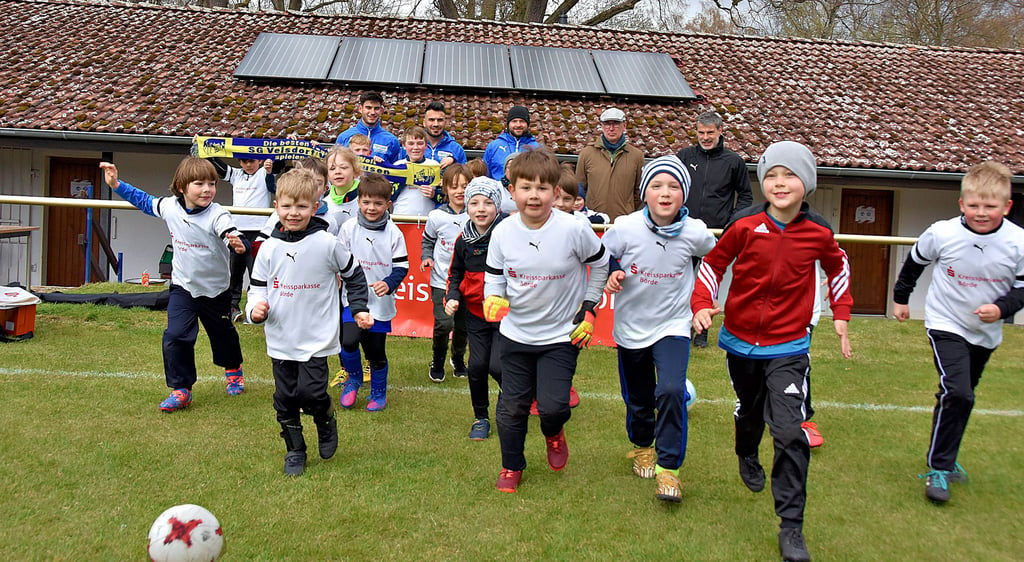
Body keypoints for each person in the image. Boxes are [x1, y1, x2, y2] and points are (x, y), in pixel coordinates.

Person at [691, 141, 852, 562]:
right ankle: (746, 450)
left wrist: (841, 312)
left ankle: (792, 527)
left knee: (789, 432)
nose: (780, 184)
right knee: (749, 411)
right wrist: (702, 304)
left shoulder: (819, 231)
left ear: (807, 183)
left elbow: (838, 266)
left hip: (790, 346)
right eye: (772, 176)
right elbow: (713, 264)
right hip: (741, 343)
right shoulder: (744, 224)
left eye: (790, 175)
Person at [892, 160, 1024, 504]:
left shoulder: (1018, 242)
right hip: (945, 322)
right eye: (974, 205)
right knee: (959, 392)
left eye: (990, 206)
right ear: (962, 203)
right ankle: (939, 467)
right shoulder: (943, 232)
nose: (982, 212)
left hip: (986, 331)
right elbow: (915, 262)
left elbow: (1022, 287)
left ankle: (945, 457)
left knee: (958, 396)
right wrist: (901, 299)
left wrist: (1001, 309)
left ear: (1007, 206)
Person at [484, 147, 609, 493]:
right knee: (512, 408)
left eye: (542, 188)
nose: (533, 196)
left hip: (560, 337)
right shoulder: (502, 232)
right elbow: (494, 276)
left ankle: (554, 433)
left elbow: (600, 263)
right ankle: (512, 466)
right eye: (525, 187)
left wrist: (589, 307)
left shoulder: (574, 229)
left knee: (553, 407)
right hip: (515, 336)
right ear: (512, 191)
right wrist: (492, 298)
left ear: (556, 192)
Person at [602, 155, 716, 503]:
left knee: (669, 390)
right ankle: (641, 446)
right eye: (656, 186)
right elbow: (602, 256)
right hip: (631, 327)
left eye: (674, 186)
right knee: (637, 398)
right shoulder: (625, 227)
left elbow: (715, 260)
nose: (665, 193)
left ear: (684, 194)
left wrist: (702, 303)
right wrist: (613, 271)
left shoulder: (695, 231)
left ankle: (669, 470)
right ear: (644, 193)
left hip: (673, 325)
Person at [245, 169, 374, 476]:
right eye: (287, 206)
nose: (293, 213)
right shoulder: (269, 249)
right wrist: (255, 309)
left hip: (316, 336)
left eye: (302, 207)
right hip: (281, 337)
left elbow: (354, 274)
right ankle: (295, 450)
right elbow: (257, 288)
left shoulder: (327, 243)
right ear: (276, 206)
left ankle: (325, 418)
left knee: (313, 393)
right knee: (286, 396)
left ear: (315, 208)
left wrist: (358, 308)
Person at [100, 159, 248, 411]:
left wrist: (237, 242)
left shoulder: (218, 213)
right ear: (181, 187)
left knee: (223, 335)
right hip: (183, 287)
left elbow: (230, 232)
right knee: (176, 335)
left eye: (212, 184)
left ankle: (233, 369)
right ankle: (182, 389)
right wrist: (116, 184)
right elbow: (144, 201)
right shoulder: (169, 207)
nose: (207, 189)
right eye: (199, 184)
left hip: (216, 290)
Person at [677, 110, 753, 347]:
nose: (705, 137)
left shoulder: (733, 162)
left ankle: (702, 333)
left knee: (709, 284)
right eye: (701, 132)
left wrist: (732, 224)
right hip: (685, 231)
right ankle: (679, 328)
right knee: (680, 282)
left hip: (716, 234)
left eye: (710, 132)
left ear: (721, 131)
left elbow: (746, 197)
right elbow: (672, 185)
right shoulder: (684, 155)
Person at [336, 173, 410, 411]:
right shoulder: (348, 228)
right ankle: (354, 379)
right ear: (359, 201)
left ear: (388, 205)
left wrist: (388, 283)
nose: (371, 208)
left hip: (380, 303)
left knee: (375, 351)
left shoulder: (394, 233)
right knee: (348, 342)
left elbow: (402, 267)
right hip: (352, 298)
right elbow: (338, 260)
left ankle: (379, 392)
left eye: (378, 203)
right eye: (366, 202)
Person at [444, 176, 507, 440]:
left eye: (488, 203)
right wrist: (452, 296)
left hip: (505, 314)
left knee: (499, 366)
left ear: (498, 206)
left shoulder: (508, 233)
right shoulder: (463, 240)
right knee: (478, 366)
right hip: (475, 314)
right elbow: (455, 272)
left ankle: (516, 399)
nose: (481, 209)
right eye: (474, 203)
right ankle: (480, 417)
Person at [209, 156, 276, 322]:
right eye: (244, 161)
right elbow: (217, 165)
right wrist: (203, 148)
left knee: (256, 271)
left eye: (252, 161)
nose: (248, 165)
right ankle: (233, 306)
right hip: (238, 230)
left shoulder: (264, 172)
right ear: (239, 162)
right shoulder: (236, 174)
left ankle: (256, 307)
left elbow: (272, 186)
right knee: (235, 271)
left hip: (259, 231)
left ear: (259, 160)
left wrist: (269, 170)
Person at [422, 164, 470, 383]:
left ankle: (457, 358)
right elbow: (428, 240)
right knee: (444, 323)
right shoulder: (436, 216)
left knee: (463, 326)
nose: (459, 191)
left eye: (465, 186)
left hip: (469, 283)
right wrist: (427, 257)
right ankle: (437, 359)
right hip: (442, 281)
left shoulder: (477, 215)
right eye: (454, 187)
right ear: (445, 189)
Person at [574, 107, 644, 222]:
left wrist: (627, 210)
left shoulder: (636, 156)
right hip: (594, 222)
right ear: (601, 126)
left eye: (616, 124)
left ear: (624, 125)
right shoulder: (587, 153)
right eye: (607, 124)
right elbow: (580, 189)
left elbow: (639, 192)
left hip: (623, 222)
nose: (611, 128)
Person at [335, 91, 401, 164]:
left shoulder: (392, 141)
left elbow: (396, 170)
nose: (372, 112)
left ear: (381, 110)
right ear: (360, 109)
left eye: (376, 108)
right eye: (368, 108)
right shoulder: (344, 137)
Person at [392, 126, 443, 217]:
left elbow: (444, 197)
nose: (415, 147)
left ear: (426, 145)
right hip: (400, 218)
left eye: (420, 143)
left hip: (427, 220)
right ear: (404, 146)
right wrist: (402, 181)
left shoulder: (434, 165)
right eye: (411, 143)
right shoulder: (397, 165)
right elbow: (387, 196)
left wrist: (434, 194)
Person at [483, 105, 538, 181]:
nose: (518, 125)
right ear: (508, 124)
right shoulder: (493, 147)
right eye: (514, 121)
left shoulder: (537, 148)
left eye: (522, 121)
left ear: (527, 124)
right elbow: (484, 177)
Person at [421, 101, 467, 168]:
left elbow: (465, 176)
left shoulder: (456, 149)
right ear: (424, 122)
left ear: (446, 122)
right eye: (431, 120)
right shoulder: (412, 146)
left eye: (440, 120)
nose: (436, 124)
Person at [324, 146, 361, 227]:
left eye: (343, 167)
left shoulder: (367, 199)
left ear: (355, 171)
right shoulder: (324, 203)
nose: (337, 172)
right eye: (332, 168)